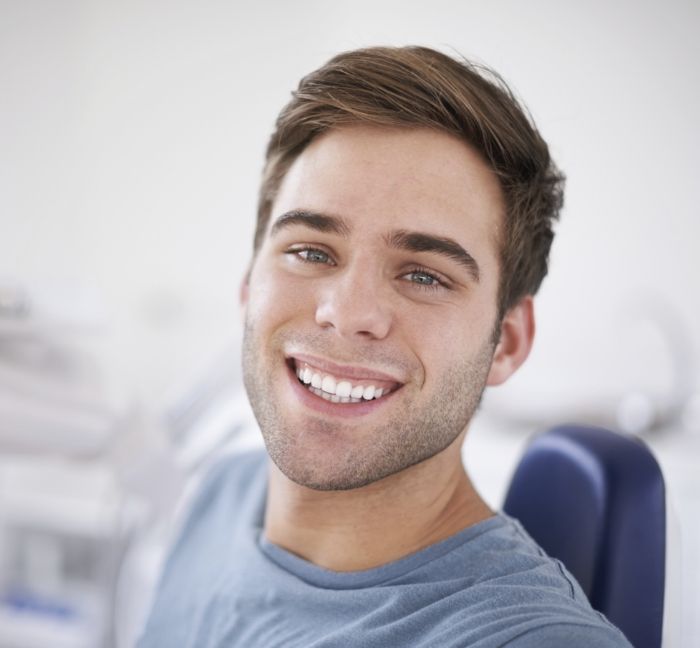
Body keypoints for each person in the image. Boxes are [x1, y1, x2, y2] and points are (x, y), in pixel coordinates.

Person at [138, 46, 632, 647]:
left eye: (424, 275)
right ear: (249, 283)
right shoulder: (222, 494)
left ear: (506, 342)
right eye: (311, 252)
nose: (346, 314)